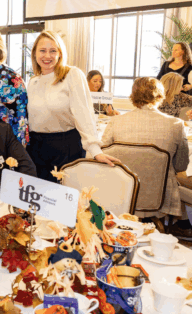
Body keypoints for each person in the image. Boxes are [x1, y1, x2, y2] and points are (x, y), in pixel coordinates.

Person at [27, 30, 118, 182]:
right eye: (42, 50)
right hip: (36, 148)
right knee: (40, 199)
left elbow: (84, 114)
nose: (47, 56)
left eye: (53, 51)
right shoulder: (33, 81)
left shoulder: (72, 75)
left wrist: (95, 150)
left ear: (60, 54)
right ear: (35, 54)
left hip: (65, 146)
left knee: (65, 199)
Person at [102, 77, 188, 219]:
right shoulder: (176, 124)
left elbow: (103, 156)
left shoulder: (116, 121)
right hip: (159, 196)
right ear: (161, 96)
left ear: (133, 96)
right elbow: (181, 166)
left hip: (121, 193)